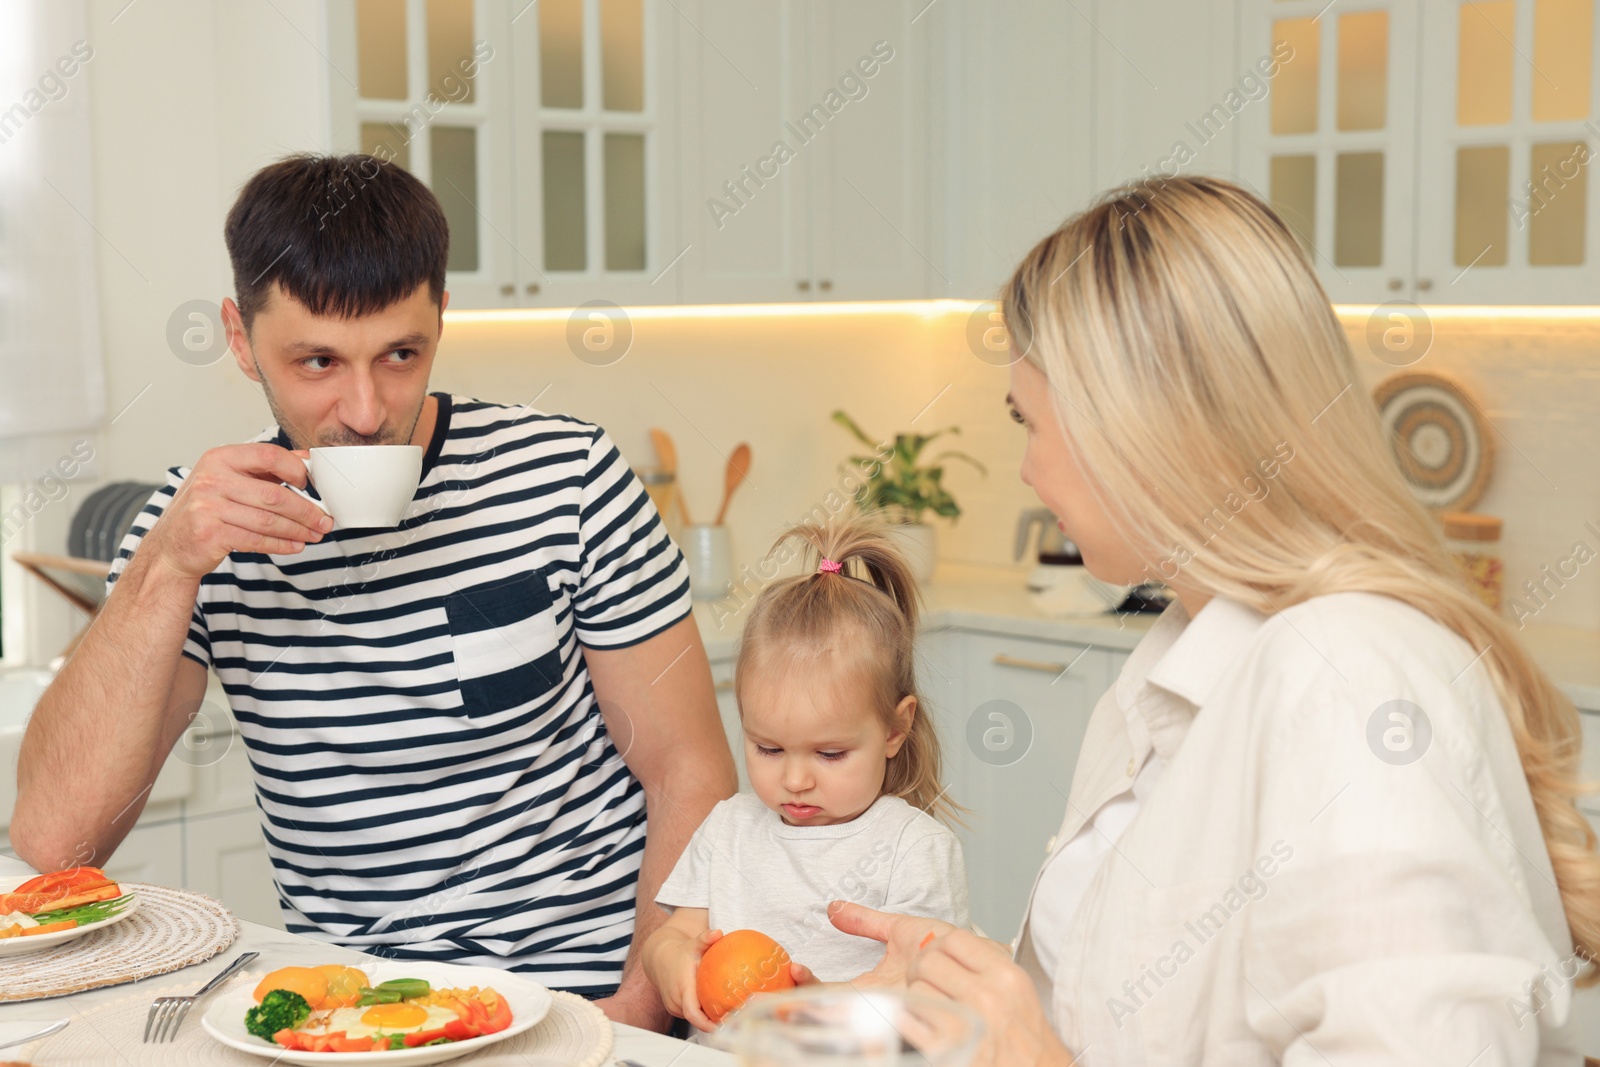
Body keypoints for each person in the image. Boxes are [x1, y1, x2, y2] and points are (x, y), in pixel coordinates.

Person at [816, 177, 1600, 1065]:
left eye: (1029, 422)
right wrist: (963, 997)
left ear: (1140, 423)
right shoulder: (1182, 662)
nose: (1029, 471)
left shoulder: (1349, 677)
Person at [12, 153, 736, 1031]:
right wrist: (165, 567)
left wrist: (630, 1011)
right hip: (360, 1018)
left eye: (400, 353)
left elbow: (689, 769)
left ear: (440, 319)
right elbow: (57, 845)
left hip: (587, 995)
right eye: (317, 360)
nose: (364, 408)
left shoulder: (568, 477)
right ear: (240, 340)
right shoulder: (193, 529)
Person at [641, 515, 968, 1032]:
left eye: (830, 754)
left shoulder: (914, 848)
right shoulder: (729, 828)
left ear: (894, 729)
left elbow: (939, 992)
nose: (795, 780)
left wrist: (830, 1004)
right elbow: (673, 935)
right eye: (768, 748)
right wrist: (672, 964)